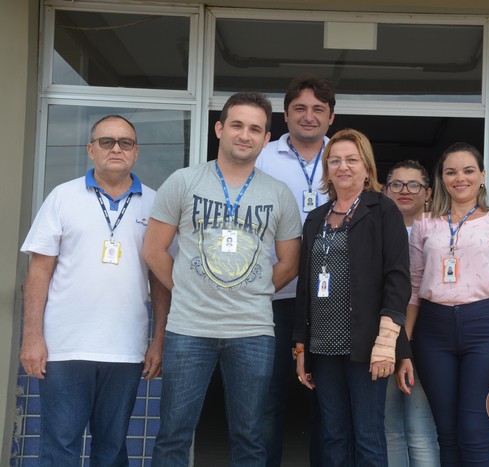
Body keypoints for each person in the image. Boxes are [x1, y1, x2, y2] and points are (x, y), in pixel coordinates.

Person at [143, 92, 302, 466]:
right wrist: (187, 289)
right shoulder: (183, 181)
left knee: (250, 437)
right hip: (189, 327)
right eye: (237, 125)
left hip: (252, 330)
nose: (245, 135)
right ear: (219, 129)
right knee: (174, 434)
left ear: (266, 139)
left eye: (255, 129)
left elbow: (290, 263)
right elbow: (153, 250)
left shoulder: (279, 194)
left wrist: (253, 292)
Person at [19, 115, 170, 466]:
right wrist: (32, 337)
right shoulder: (62, 197)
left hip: (126, 350)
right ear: (91, 150)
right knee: (60, 448)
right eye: (106, 141)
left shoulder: (155, 204)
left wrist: (159, 340)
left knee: (112, 449)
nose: (116, 148)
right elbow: (39, 272)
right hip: (64, 348)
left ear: (136, 152)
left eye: (125, 143)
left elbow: (161, 280)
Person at [293, 129, 411, 466]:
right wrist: (300, 348)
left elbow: (398, 280)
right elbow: (305, 287)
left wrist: (387, 343)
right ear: (327, 169)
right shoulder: (316, 218)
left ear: (366, 167)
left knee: (368, 436)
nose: (343, 167)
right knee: (332, 435)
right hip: (322, 347)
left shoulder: (383, 210)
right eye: (335, 161)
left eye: (351, 160)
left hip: (366, 346)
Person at [403, 142, 489, 466]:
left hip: (484, 328)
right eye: (451, 172)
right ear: (441, 178)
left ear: (482, 176)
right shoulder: (425, 223)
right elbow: (414, 285)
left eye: (468, 171)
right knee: (447, 432)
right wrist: (405, 344)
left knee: (474, 430)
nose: (460, 178)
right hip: (432, 330)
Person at [254, 75, 335, 466]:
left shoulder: (344, 155)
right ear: (285, 115)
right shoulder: (262, 156)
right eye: (299, 108)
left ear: (331, 117)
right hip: (272, 297)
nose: (308, 116)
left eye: (318, 109)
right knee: (267, 400)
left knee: (328, 401)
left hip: (330, 302)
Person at [382, 160, 440, 467]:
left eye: (414, 184)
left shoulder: (441, 231)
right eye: (397, 184)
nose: (405, 190)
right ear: (385, 190)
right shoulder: (374, 229)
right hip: (382, 338)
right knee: (389, 429)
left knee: (420, 429)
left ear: (428, 192)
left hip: (426, 338)